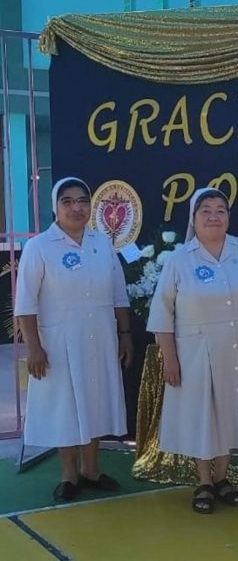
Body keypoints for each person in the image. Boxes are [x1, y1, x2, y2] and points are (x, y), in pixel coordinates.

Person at [147, 187, 238, 514]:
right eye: (206, 210)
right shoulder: (179, 259)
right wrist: (170, 359)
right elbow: (162, 314)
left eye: (221, 209)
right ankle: (203, 481)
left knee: (233, 413)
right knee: (204, 416)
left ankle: (222, 478)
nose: (214, 216)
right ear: (194, 218)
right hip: (196, 353)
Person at [15, 176, 133, 502]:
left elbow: (118, 293)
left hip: (101, 339)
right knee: (65, 407)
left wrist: (124, 334)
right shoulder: (39, 247)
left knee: (94, 401)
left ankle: (91, 469)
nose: (76, 207)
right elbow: (26, 302)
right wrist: (34, 347)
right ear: (55, 207)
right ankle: (69, 473)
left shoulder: (101, 243)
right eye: (67, 201)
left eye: (82, 200)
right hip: (58, 343)